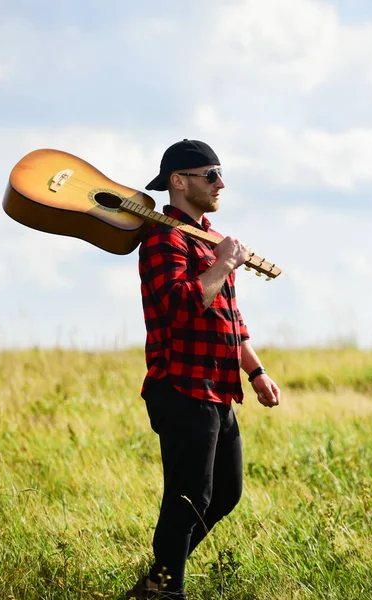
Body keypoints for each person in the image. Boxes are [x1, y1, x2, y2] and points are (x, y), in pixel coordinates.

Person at [125, 139, 280, 600]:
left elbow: (229, 318)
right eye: (210, 175)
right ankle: (167, 589)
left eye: (219, 173)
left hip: (219, 387)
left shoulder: (210, 238)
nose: (221, 183)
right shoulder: (163, 237)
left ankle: (158, 579)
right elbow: (179, 305)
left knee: (224, 494)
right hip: (180, 387)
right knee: (188, 499)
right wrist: (223, 264)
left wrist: (255, 372)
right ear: (179, 181)